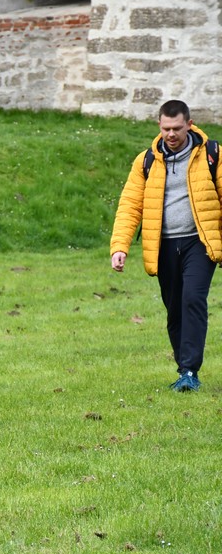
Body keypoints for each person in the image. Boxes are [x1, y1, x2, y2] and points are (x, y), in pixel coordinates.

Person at [111, 99, 222, 392]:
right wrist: (120, 246)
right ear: (159, 126)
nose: (171, 134)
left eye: (176, 128)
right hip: (162, 246)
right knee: (174, 309)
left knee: (192, 300)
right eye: (166, 128)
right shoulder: (146, 161)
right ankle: (183, 367)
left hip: (199, 243)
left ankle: (189, 371)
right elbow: (129, 206)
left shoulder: (212, 155)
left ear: (189, 124)